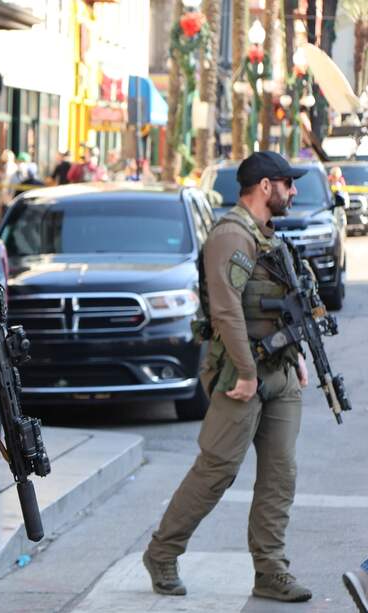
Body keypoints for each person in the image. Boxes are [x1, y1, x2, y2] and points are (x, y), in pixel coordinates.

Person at [142, 151, 312, 603]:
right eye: (287, 183)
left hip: (280, 372)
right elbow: (226, 309)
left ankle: (271, 571)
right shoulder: (231, 236)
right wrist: (248, 372)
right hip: (243, 375)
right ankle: (162, 552)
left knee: (281, 476)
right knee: (216, 471)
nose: (293, 191)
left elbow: (284, 301)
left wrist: (296, 354)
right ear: (264, 187)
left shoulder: (269, 236)